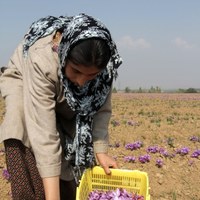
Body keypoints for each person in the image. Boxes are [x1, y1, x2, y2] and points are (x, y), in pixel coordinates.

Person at [0, 13, 122, 200]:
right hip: (25, 79)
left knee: (72, 140)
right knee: (19, 119)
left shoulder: (104, 69)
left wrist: (101, 150)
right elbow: (44, 134)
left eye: (91, 76)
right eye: (77, 71)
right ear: (64, 54)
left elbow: (100, 110)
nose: (82, 81)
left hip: (62, 88)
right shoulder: (42, 59)